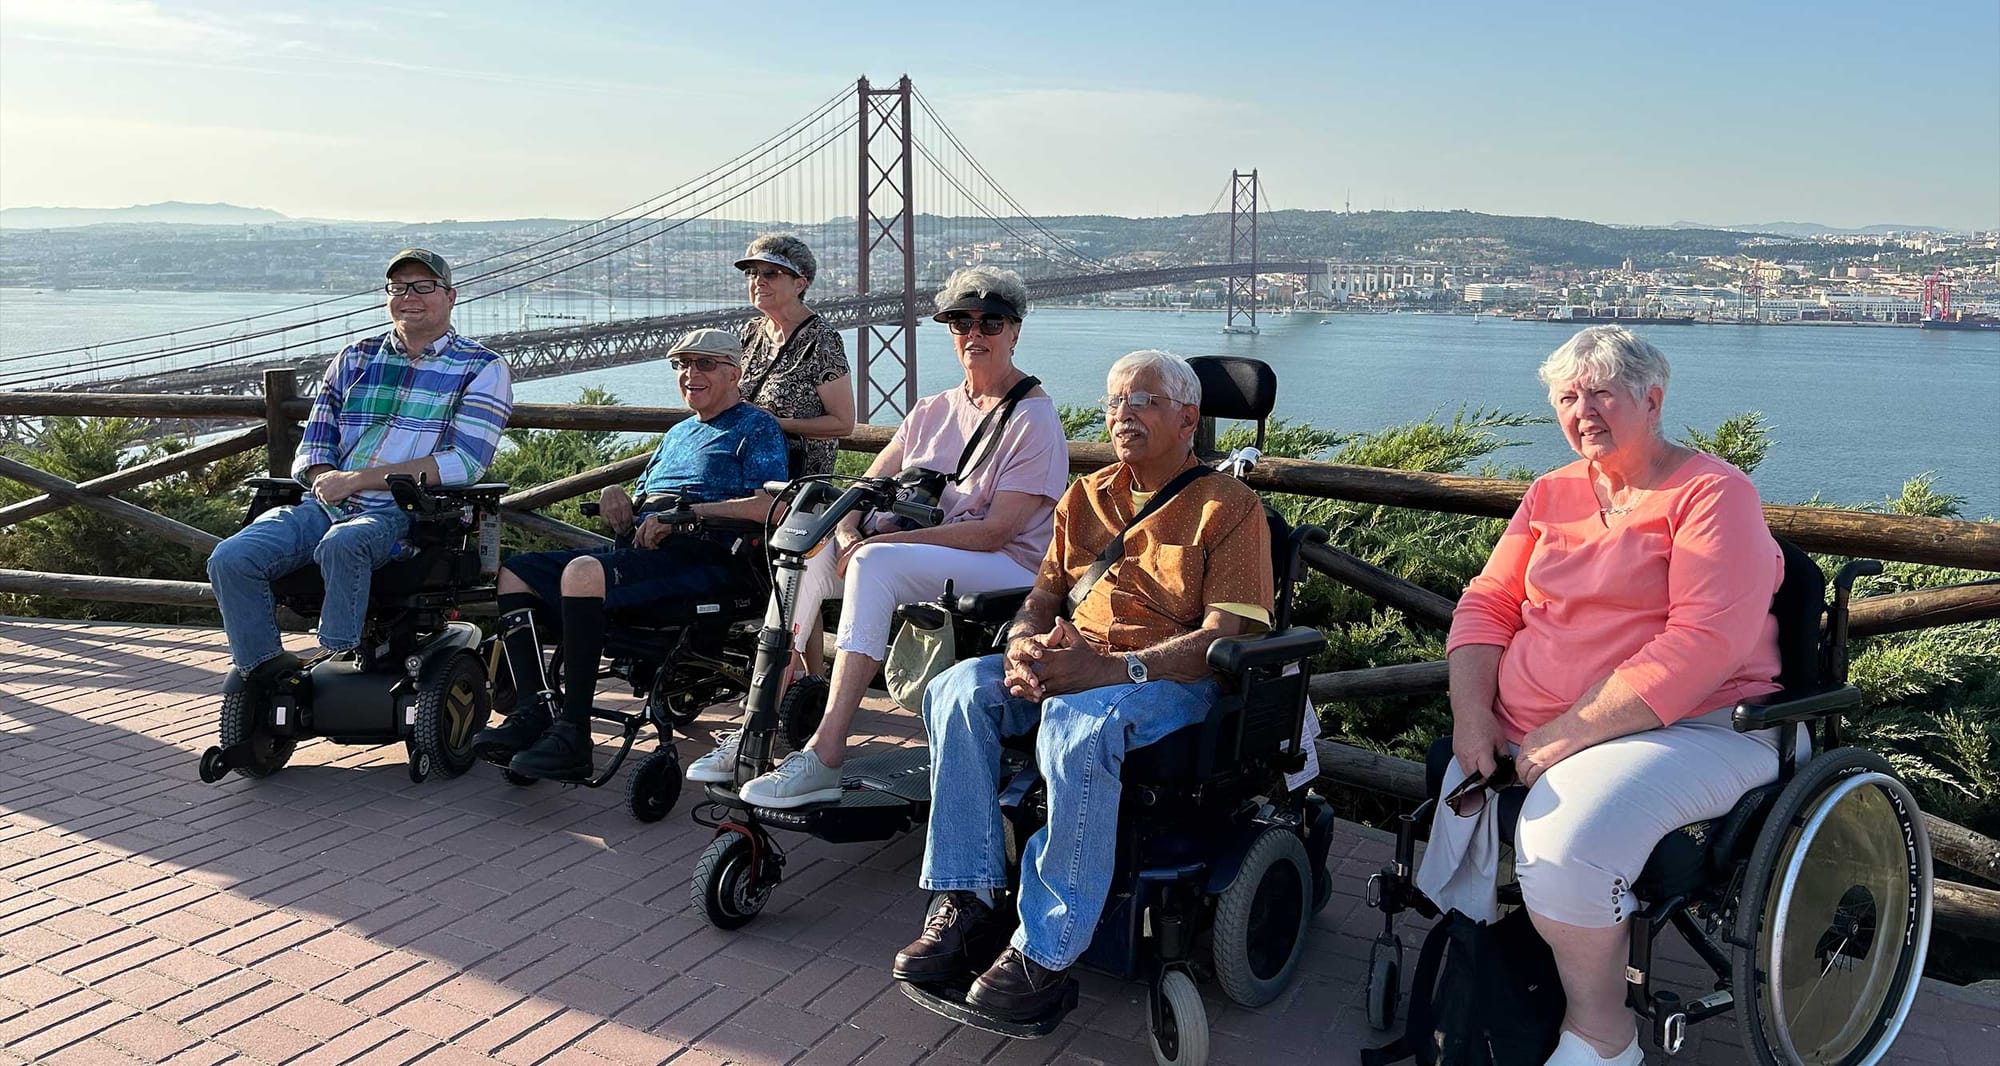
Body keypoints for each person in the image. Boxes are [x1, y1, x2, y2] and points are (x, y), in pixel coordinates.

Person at [1418, 326, 1785, 1066]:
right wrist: (1471, 716)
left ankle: (1602, 1033)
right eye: (1567, 396)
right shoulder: (1552, 491)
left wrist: (1568, 732)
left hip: (1703, 728)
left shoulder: (1713, 494)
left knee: (1565, 844)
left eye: (1601, 393)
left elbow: (1702, 644)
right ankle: (1520, 980)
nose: (1582, 410)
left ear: (1652, 400)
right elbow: (1487, 604)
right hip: (1546, 732)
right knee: (1483, 785)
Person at [890, 349, 1275, 1022]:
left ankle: (1048, 948)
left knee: (1080, 723)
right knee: (955, 691)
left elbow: (1228, 639)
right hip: (1081, 662)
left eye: (1143, 401)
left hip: (1169, 680)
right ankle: (967, 896)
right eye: (1114, 402)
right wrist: (1021, 645)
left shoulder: (1230, 506)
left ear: (1188, 419)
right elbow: (1043, 596)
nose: (1123, 414)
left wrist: (1108, 671)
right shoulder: (1087, 495)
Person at [689, 267, 1070, 808]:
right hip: (927, 555)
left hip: (1008, 563)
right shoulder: (932, 410)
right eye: (961, 322)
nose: (975, 333)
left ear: (1015, 331)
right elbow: (864, 487)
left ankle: (826, 752)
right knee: (802, 559)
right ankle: (755, 730)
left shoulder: (1033, 418)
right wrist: (844, 531)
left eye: (991, 322)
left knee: (874, 565)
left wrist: (880, 547)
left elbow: (998, 531)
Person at [470, 328, 789, 782]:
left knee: (582, 571)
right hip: (646, 553)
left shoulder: (756, 427)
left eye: (704, 364)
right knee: (516, 573)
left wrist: (688, 514)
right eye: (682, 365)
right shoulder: (679, 432)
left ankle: (573, 735)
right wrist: (616, 493)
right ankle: (535, 709)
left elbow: (768, 505)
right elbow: (643, 501)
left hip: (709, 560)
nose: (689, 374)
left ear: (735, 373)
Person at [207, 248, 513, 683]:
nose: (410, 296)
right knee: (231, 557)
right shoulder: (355, 358)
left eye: (424, 287)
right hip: (326, 504)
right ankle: (263, 672)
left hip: (410, 514)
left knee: (343, 543)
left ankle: (337, 659)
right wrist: (323, 477)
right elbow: (314, 447)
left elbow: (464, 462)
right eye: (399, 287)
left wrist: (357, 480)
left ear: (450, 296)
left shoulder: (482, 367)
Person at [734, 234, 855, 478]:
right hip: (745, 472)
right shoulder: (751, 331)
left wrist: (776, 424)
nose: (758, 281)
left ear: (800, 284)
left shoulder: (822, 340)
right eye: (752, 273)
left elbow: (843, 423)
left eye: (771, 273)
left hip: (796, 483)